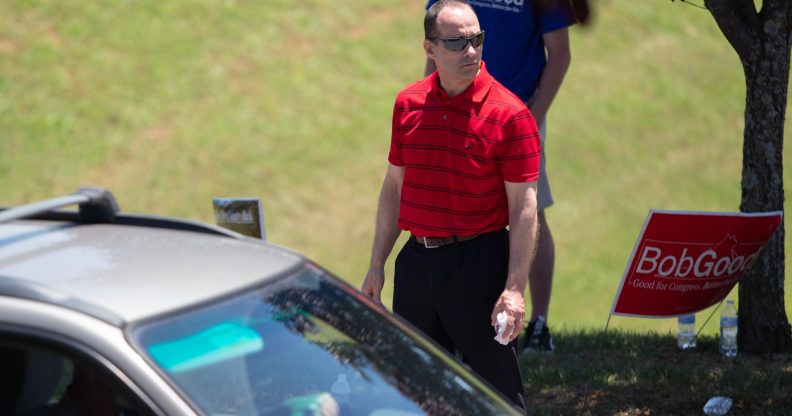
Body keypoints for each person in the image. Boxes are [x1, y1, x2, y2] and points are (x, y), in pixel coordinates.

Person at [361, 0, 540, 409]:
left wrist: (513, 289)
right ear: (430, 49)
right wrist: (377, 264)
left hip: (480, 264)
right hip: (417, 265)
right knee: (413, 390)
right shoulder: (407, 104)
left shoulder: (511, 116)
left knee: (497, 396)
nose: (471, 51)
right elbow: (394, 186)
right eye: (457, 43)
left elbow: (524, 208)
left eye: (476, 39)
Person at [425, 0, 575, 352]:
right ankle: (462, 322)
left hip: (520, 112)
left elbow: (561, 55)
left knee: (530, 212)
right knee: (458, 215)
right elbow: (435, 51)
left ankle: (538, 325)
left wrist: (531, 118)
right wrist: (430, 110)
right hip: (459, 112)